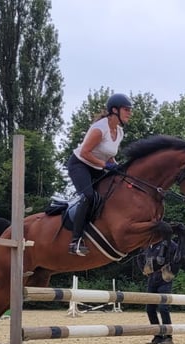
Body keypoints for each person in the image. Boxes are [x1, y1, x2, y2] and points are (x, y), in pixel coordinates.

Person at [66, 93, 133, 256]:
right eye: (126, 110)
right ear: (114, 110)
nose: (129, 113)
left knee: (111, 192)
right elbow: (85, 152)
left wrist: (118, 168)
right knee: (88, 196)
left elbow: (109, 154)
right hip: (80, 165)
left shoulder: (119, 132)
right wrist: (106, 165)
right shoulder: (99, 129)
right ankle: (75, 241)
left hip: (96, 167)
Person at [138, 238, 183, 344]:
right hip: (152, 278)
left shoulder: (169, 243)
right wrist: (143, 270)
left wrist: (172, 269)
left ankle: (168, 337)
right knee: (149, 309)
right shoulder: (148, 245)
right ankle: (157, 336)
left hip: (165, 278)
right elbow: (139, 258)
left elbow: (178, 257)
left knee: (163, 307)